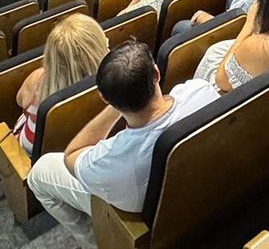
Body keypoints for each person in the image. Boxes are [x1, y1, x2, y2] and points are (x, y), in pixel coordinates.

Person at [26, 41, 220, 246]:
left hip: (139, 216)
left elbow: (71, 155)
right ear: (156, 73)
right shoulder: (201, 91)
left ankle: (94, 242)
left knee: (39, 172)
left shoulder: (109, 163)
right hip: (199, 193)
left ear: (105, 98)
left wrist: (117, 101)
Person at [11, 14, 110, 155]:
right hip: (86, 151)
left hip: (35, 157)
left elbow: (20, 101)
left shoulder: (38, 80)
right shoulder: (114, 80)